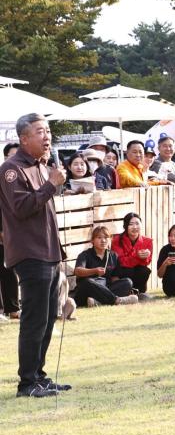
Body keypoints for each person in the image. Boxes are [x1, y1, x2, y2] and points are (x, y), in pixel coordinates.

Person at [0, 113, 70, 397]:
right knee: (34, 319)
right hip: (31, 253)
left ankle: (39, 375)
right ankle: (27, 382)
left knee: (49, 316)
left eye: (48, 131)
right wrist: (51, 185)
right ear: (24, 138)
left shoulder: (41, 166)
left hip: (49, 251)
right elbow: (22, 207)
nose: (46, 137)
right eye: (40, 132)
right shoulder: (11, 169)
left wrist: (51, 182)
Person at [72, 226, 138, 307]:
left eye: (106, 237)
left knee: (128, 282)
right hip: (86, 292)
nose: (103, 240)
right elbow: (77, 271)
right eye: (99, 238)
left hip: (105, 288)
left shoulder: (113, 256)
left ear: (110, 239)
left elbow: (115, 278)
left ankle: (97, 302)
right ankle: (116, 300)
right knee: (87, 282)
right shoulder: (85, 255)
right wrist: (94, 271)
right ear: (92, 240)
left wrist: (121, 287)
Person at [111, 212, 153, 299]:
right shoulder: (116, 240)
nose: (135, 227)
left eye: (137, 223)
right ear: (125, 226)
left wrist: (147, 256)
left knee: (145, 270)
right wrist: (137, 257)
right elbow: (120, 261)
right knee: (126, 270)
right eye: (131, 224)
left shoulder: (147, 241)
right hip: (123, 272)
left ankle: (138, 291)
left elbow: (147, 262)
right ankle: (127, 292)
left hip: (137, 272)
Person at [0, 144, 20, 321]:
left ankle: (13, 309)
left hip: (15, 231)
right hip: (4, 230)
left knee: (8, 270)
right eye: (12, 156)